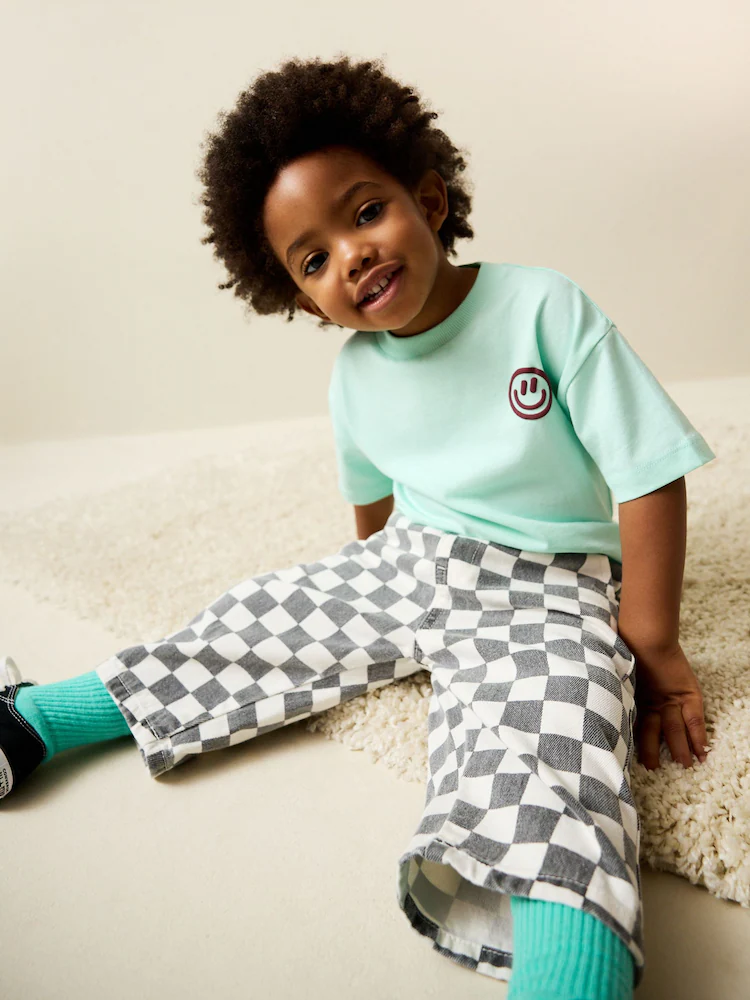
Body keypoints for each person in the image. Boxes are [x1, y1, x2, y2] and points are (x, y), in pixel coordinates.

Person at [0, 54, 715, 1000]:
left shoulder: (544, 308)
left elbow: (649, 474)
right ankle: (37, 720)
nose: (352, 255)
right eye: (314, 259)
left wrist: (653, 645)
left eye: (366, 212)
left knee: (549, 747)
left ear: (430, 198)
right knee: (252, 622)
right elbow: (371, 500)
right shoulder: (356, 376)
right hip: (407, 559)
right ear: (304, 300)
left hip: (546, 585)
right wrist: (361, 586)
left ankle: (566, 972)